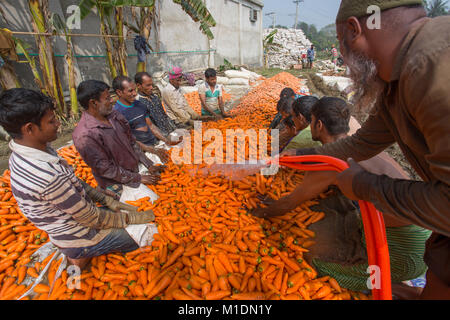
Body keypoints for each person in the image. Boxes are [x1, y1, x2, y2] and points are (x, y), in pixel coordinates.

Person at [283, 0, 450, 299]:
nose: (344, 62)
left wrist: (364, 185)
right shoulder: (395, 83)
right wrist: (290, 157)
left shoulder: (429, 65)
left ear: (354, 29)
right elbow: (359, 144)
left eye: (340, 46)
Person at [253, 97, 431, 294]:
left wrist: (259, 212)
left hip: (406, 252)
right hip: (424, 236)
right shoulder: (360, 145)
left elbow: (288, 204)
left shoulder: (330, 163)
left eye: (311, 121)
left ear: (318, 124)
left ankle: (404, 291)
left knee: (323, 268)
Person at [0, 88, 156, 269]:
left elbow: (71, 180)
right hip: (80, 233)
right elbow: (91, 218)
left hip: (73, 216)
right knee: (149, 234)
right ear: (30, 128)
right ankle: (81, 252)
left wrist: (104, 199)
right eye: (52, 121)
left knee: (129, 211)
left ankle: (79, 251)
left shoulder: (32, 149)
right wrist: (131, 220)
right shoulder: (44, 175)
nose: (58, 123)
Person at [73, 80, 164, 195]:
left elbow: (131, 142)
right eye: (107, 98)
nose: (112, 100)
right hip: (116, 184)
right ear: (93, 103)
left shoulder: (114, 115)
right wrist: (137, 178)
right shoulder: (85, 134)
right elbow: (105, 169)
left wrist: (148, 164)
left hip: (134, 172)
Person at [112, 75, 180, 150]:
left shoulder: (139, 104)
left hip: (154, 143)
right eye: (130, 91)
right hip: (140, 150)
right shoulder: (117, 113)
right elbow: (128, 139)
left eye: (135, 90)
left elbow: (151, 126)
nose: (134, 93)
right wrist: (150, 150)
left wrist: (166, 141)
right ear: (119, 92)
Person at [134, 71, 178, 137]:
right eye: (148, 85)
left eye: (152, 84)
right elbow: (149, 126)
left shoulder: (155, 97)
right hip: (158, 138)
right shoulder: (138, 103)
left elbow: (164, 115)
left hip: (169, 132)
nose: (151, 87)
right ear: (138, 86)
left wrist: (174, 129)